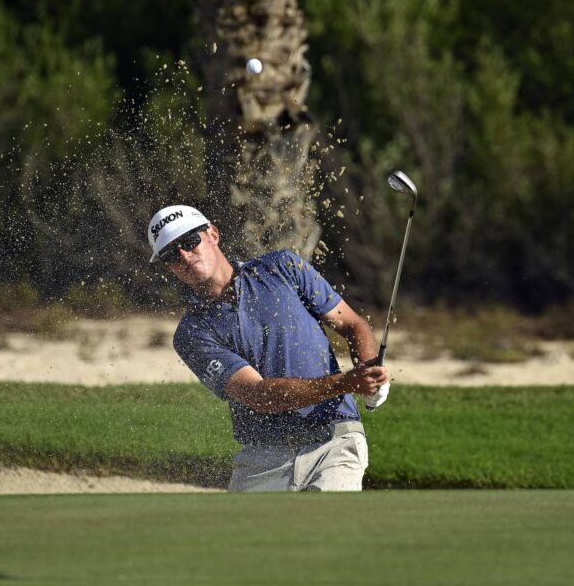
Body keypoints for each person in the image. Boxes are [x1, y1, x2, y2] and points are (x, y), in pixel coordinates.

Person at [147, 204, 391, 492]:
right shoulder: (192, 333)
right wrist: (347, 383)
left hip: (334, 441)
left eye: (190, 242)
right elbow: (259, 395)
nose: (184, 256)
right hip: (262, 458)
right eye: (170, 254)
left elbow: (353, 325)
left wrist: (369, 370)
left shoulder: (283, 267)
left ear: (213, 234)